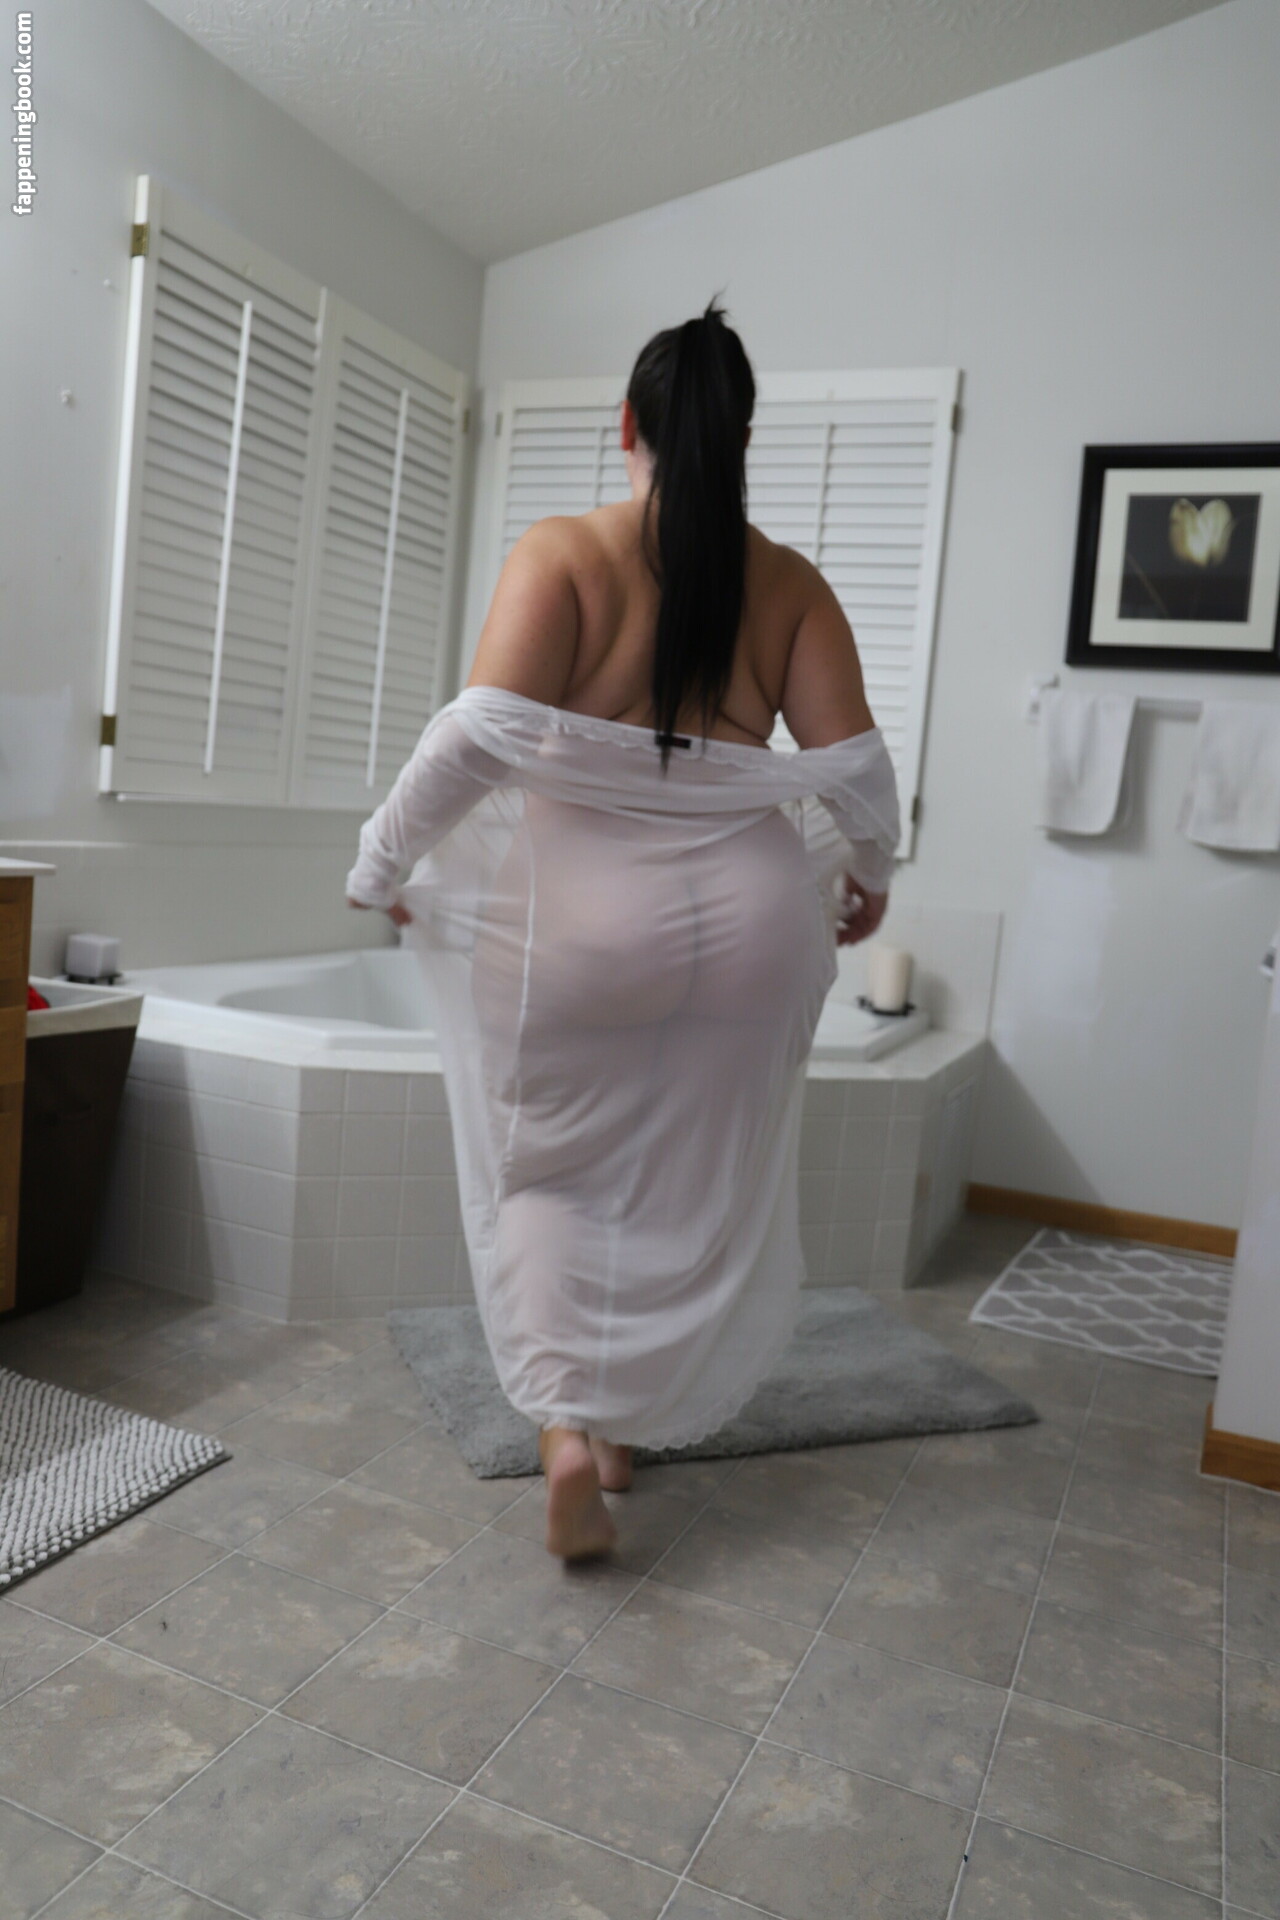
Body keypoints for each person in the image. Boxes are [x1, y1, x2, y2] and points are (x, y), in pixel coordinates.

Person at [346, 301, 899, 1562]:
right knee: (689, 1171)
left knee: (547, 1172)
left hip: (578, 912)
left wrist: (379, 862)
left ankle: (569, 1435)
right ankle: (625, 1428)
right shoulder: (790, 584)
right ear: (741, 436)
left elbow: (473, 738)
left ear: (626, 426)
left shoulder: (565, 554)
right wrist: (866, 877)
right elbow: (859, 773)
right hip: (751, 919)